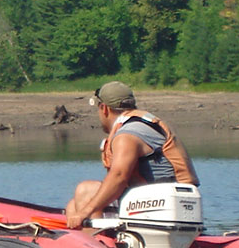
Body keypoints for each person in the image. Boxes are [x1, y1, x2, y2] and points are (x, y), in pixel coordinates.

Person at [64, 80, 198, 229]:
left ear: (104, 109)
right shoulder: (142, 125)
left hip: (161, 203)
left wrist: (85, 212)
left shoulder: (127, 135)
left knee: (86, 190)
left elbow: (119, 177)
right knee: (73, 206)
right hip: (175, 201)